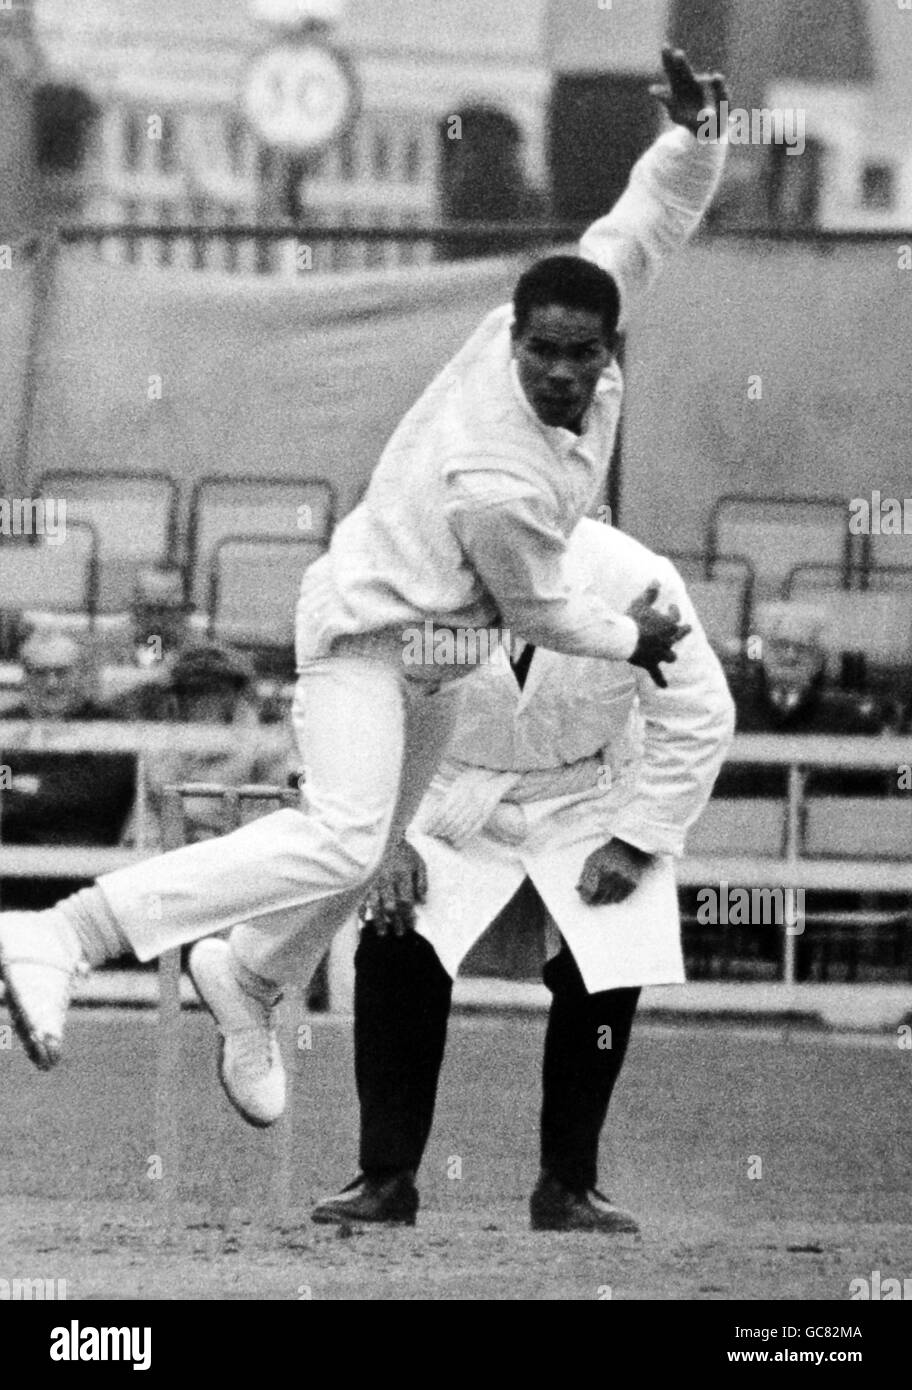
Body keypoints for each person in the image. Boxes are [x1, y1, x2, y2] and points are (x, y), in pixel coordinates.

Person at [0, 48, 729, 1128]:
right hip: (364, 635)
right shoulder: (497, 473)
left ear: (603, 339)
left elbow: (649, 216)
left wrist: (700, 136)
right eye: (541, 355)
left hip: (441, 657)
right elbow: (537, 609)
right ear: (511, 341)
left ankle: (247, 977)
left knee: (374, 841)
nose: (562, 375)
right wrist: (638, 636)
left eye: (580, 354)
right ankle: (68, 932)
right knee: (349, 836)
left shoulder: (588, 316)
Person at [309, 518, 735, 1232]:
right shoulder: (404, 577)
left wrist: (636, 842)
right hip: (442, 793)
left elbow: (698, 710)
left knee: (604, 963)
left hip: (589, 799)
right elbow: (342, 703)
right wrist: (384, 840)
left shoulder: (635, 577)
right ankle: (384, 1178)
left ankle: (569, 1185)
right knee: (393, 937)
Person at [0, 628, 136, 911]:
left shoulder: (110, 728)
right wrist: (20, 784)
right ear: (25, 677)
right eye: (40, 673)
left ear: (82, 675)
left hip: (83, 872)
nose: (51, 684)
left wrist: (26, 787)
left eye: (62, 672)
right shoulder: (7, 724)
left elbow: (95, 795)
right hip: (11, 865)